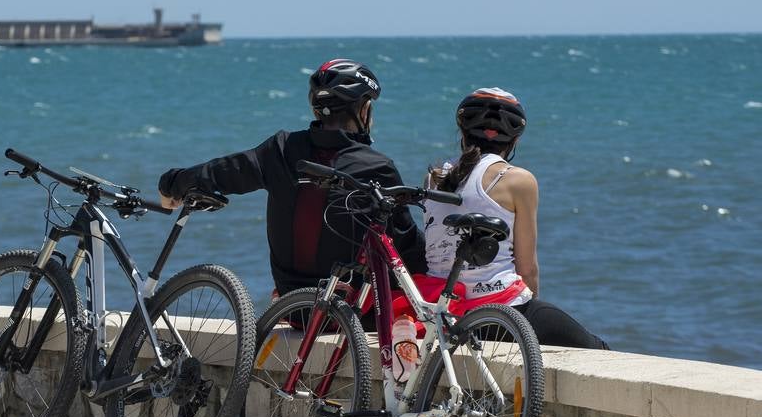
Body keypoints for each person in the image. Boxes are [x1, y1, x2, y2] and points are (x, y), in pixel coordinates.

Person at [158, 59, 427, 304]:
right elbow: (407, 247)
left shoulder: (281, 149)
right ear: (363, 110)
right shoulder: (377, 166)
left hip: (291, 304)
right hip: (348, 308)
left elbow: (224, 172)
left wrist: (173, 184)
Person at [420, 87, 610, 349]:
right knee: (598, 349)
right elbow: (528, 267)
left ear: (462, 131)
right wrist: (529, 316)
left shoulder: (435, 176)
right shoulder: (518, 180)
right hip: (498, 310)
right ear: (515, 140)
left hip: (441, 309)